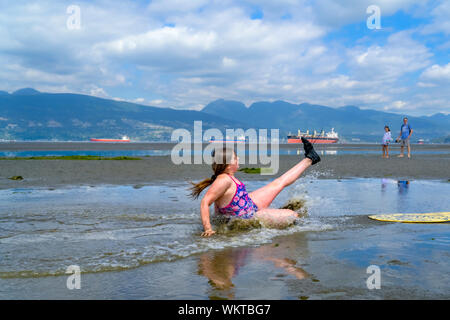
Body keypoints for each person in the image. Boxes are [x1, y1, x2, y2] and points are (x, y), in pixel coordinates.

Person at [190, 137, 321, 237]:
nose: (238, 159)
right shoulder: (223, 180)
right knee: (294, 215)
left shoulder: (226, 176)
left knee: (278, 183)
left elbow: (220, 204)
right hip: (249, 216)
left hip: (248, 204)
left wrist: (218, 218)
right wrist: (208, 228)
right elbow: (205, 202)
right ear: (229, 163)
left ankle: (310, 158)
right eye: (236, 158)